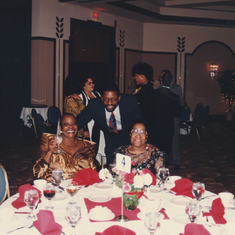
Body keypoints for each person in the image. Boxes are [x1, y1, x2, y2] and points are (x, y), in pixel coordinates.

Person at [76, 84, 143, 167]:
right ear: (102, 98)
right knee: (112, 167)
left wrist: (145, 143)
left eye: (113, 99)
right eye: (106, 99)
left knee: (131, 167)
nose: (109, 103)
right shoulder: (94, 105)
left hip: (129, 137)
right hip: (110, 139)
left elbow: (141, 123)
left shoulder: (130, 102)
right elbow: (78, 122)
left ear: (119, 98)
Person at [33, 113, 99, 181]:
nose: (71, 127)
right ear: (60, 128)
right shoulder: (50, 142)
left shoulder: (87, 146)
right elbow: (38, 173)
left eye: (74, 123)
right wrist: (49, 151)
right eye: (66, 124)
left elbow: (94, 173)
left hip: (81, 188)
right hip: (56, 187)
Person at [153, 70, 181, 166]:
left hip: (155, 126)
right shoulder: (175, 97)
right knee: (166, 152)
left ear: (161, 81)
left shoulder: (154, 94)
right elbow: (177, 113)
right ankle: (165, 168)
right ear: (171, 81)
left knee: (156, 150)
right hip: (168, 127)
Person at [132, 62, 155, 143]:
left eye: (135, 75)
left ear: (142, 76)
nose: (134, 78)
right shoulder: (142, 88)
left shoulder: (147, 90)